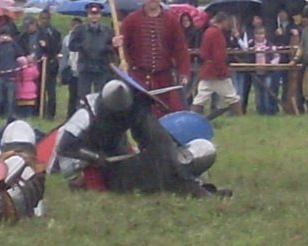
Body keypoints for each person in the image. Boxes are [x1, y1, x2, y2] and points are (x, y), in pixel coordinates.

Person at [54, 74, 218, 197]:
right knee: (114, 183)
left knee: (151, 167)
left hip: (112, 154)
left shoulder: (128, 108)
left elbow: (153, 140)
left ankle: (186, 183)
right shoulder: (86, 114)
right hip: (83, 164)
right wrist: (95, 156)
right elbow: (65, 146)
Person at [115, 0, 190, 117]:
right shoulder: (132, 20)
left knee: (168, 112)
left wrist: (183, 72)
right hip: (138, 78)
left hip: (163, 78)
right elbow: (122, 46)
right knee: (136, 112)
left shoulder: (171, 20)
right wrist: (116, 44)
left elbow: (180, 48)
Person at [190, 12, 242, 117]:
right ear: (223, 21)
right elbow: (219, 54)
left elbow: (203, 52)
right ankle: (239, 116)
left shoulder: (208, 31)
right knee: (231, 96)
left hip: (208, 68)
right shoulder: (216, 33)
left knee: (201, 96)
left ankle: (192, 116)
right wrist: (221, 70)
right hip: (217, 70)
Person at [69, 2, 116, 100]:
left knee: (101, 96)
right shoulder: (80, 30)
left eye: (96, 14)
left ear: (100, 15)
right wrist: (82, 46)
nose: (94, 17)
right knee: (83, 96)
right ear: (88, 15)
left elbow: (113, 47)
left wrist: (106, 48)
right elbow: (71, 46)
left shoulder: (107, 30)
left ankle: (99, 114)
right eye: (91, 14)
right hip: (85, 67)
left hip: (101, 67)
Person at [0, 27, 24, 118]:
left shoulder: (13, 45)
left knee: (10, 98)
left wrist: (13, 42)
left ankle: (10, 115)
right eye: (3, 35)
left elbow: (20, 53)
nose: (5, 37)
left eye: (6, 35)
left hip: (11, 76)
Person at [36, 9, 62, 120]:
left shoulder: (54, 32)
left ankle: (50, 113)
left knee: (51, 90)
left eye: (46, 18)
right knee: (38, 89)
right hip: (38, 64)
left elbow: (56, 48)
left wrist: (46, 46)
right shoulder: (36, 31)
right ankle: (38, 111)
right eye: (42, 18)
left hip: (50, 64)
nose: (44, 21)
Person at [251, 27, 280, 115]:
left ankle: (268, 110)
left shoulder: (270, 45)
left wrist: (271, 64)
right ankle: (260, 110)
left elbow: (277, 56)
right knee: (258, 92)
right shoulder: (251, 45)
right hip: (256, 72)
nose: (259, 36)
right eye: (257, 34)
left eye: (261, 34)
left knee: (267, 91)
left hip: (268, 72)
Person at [60, 17, 83, 118]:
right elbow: (65, 55)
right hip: (72, 69)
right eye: (74, 26)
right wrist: (62, 70)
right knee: (72, 95)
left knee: (81, 95)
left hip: (82, 69)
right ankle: (70, 116)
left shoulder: (84, 37)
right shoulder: (67, 39)